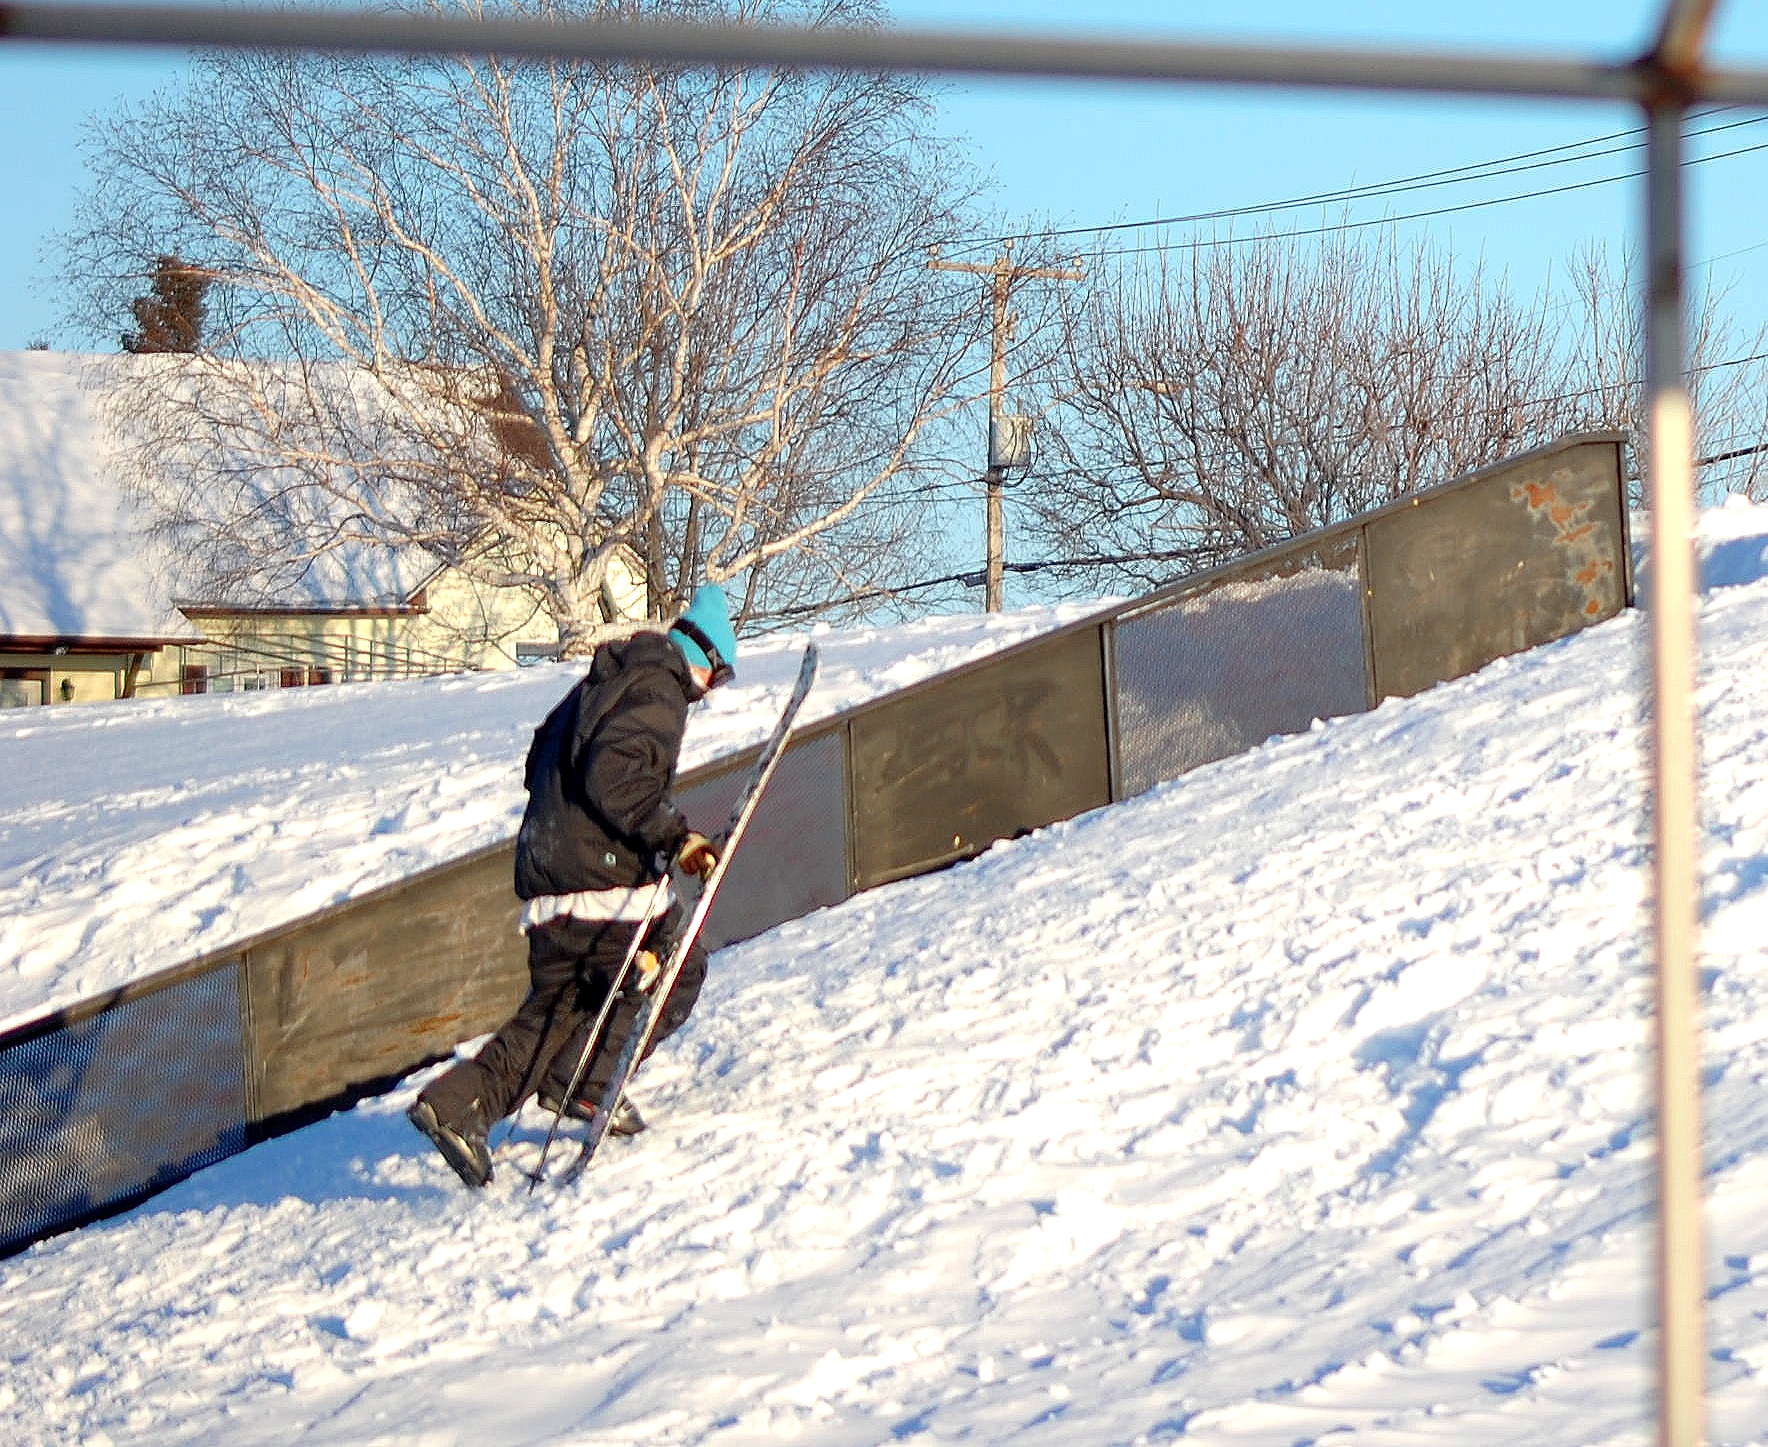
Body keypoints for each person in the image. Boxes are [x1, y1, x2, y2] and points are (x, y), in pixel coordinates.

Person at [408, 584, 738, 1189]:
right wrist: (675, 838)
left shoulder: (600, 682)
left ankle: (462, 1105)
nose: (709, 695)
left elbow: (543, 760)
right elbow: (615, 774)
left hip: (551, 873)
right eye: (718, 680)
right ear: (705, 659)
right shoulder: (658, 687)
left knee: (561, 1007)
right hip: (601, 879)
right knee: (676, 965)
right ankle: (585, 1085)